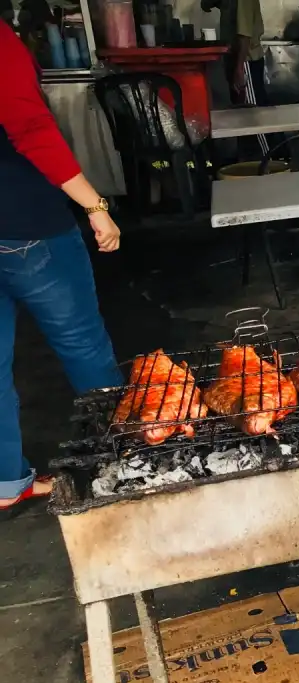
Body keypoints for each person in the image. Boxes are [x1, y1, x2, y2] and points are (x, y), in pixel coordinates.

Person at [0, 21, 122, 513]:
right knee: (82, 345)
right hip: (26, 224)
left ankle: (6, 484)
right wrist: (95, 207)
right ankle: (127, 455)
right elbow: (28, 127)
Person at [202, 0, 267, 153]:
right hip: (235, 59)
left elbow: (245, 35)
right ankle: (249, 161)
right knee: (242, 117)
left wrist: (239, 68)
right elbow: (205, 5)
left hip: (246, 61)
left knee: (254, 115)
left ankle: (272, 158)